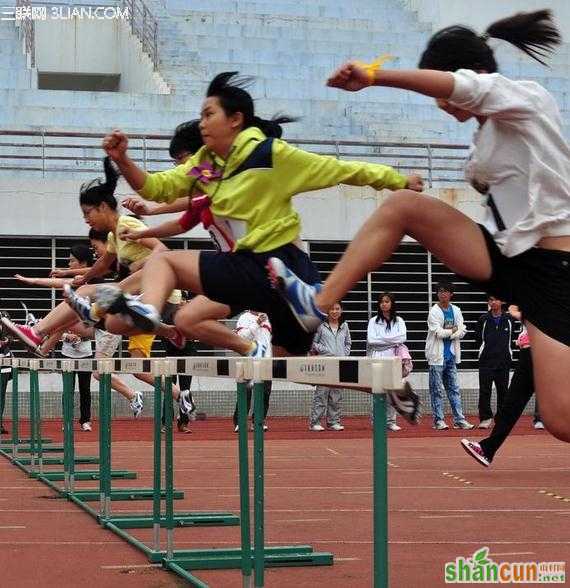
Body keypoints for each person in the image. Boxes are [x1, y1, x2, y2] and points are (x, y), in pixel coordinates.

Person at [270, 10, 570, 441]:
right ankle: (315, 304)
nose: (443, 108)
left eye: (444, 97)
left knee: (560, 420)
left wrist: (375, 77)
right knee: (402, 207)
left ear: (475, 73)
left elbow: (461, 87)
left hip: (554, 269)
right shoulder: (484, 134)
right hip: (507, 261)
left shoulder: (524, 97)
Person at [95, 70, 423, 402]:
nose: (203, 124)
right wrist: (123, 159)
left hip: (279, 266)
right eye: (201, 116)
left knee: (166, 265)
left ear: (235, 119)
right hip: (248, 272)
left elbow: (341, 169)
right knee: (279, 363)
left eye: (209, 115)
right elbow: (157, 187)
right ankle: (381, 383)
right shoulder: (206, 165)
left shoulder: (271, 155)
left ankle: (150, 312)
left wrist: (397, 180)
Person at [1, 161, 194, 417]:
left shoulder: (128, 225)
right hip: (141, 297)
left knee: (87, 299)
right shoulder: (115, 236)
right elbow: (104, 263)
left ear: (104, 207)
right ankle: (168, 333)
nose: (85, 219)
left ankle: (38, 332)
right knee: (90, 300)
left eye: (88, 212)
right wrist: (84, 277)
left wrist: (139, 265)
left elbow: (163, 251)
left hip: (161, 296)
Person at [461, 307, 543, 467]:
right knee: (511, 405)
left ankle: (487, 449)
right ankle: (487, 449)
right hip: (532, 353)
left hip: (541, 353)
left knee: (513, 405)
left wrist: (520, 315)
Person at [425, 282, 473, 430]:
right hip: (436, 357)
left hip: (451, 355)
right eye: (440, 291)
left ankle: (459, 419)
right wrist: (454, 331)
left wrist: (453, 331)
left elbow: (463, 330)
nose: (442, 294)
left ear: (451, 294)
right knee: (436, 390)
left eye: (446, 291)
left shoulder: (456, 310)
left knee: (454, 388)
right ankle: (438, 420)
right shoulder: (433, 312)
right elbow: (438, 333)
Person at [366, 292, 408, 431]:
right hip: (377, 358)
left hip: (394, 359)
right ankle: (376, 420)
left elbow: (402, 338)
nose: (384, 304)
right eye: (382, 301)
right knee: (377, 390)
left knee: (392, 389)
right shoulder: (373, 321)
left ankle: (391, 421)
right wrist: (391, 340)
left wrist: (382, 340)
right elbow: (372, 341)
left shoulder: (399, 321)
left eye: (387, 301)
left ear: (392, 303)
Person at [475, 295, 515, 428]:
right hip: (486, 362)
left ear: (502, 301)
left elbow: (511, 339)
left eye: (496, 299)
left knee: (503, 391)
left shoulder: (509, 319)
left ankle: (501, 419)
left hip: (503, 362)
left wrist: (507, 355)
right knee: (485, 391)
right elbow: (478, 339)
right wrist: (485, 352)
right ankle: (485, 418)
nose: (493, 302)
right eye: (490, 300)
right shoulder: (483, 319)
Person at [309, 302, 351, 432]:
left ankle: (334, 422)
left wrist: (344, 354)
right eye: (331, 309)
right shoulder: (321, 326)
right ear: (327, 311)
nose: (334, 311)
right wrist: (327, 351)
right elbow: (313, 343)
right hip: (324, 364)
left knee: (336, 395)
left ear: (341, 310)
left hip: (339, 364)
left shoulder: (345, 326)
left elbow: (348, 343)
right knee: (321, 393)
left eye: (337, 309)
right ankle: (315, 422)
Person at [232, 310, 272, 432]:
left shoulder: (269, 317)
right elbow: (242, 338)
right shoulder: (244, 317)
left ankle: (258, 420)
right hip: (249, 360)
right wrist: (257, 322)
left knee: (265, 393)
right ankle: (240, 422)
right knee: (245, 392)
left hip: (266, 360)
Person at [0, 310, 12, 435]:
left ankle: (0, 423)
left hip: (4, 363)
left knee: (1, 395)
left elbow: (11, 335)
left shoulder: (5, 315)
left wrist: (6, 340)